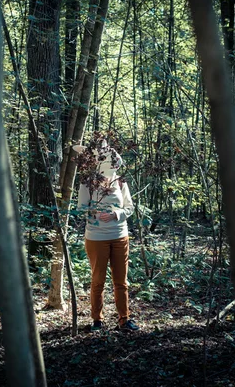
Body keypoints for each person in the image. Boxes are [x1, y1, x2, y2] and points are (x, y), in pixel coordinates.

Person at [73, 140, 140, 332]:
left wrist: (116, 215)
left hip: (120, 235)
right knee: (98, 280)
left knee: (121, 281)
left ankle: (124, 319)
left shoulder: (120, 181)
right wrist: (94, 213)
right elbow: (81, 208)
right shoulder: (88, 183)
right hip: (96, 237)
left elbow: (129, 207)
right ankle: (97, 320)